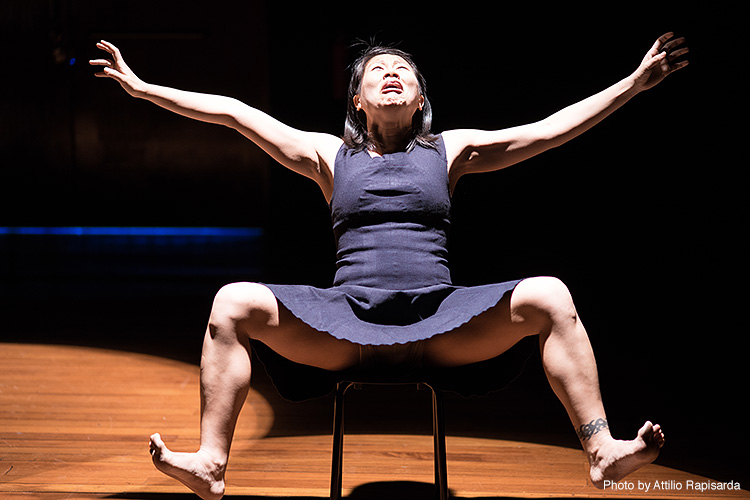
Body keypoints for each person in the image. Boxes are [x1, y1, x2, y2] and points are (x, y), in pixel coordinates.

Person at [91, 32, 688, 500]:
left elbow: (549, 131)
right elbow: (234, 112)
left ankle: (601, 450)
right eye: (377, 69)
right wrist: (143, 90)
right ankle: (211, 464)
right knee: (232, 301)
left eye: (404, 69)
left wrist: (633, 84)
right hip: (347, 325)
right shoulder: (327, 153)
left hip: (441, 323)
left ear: (421, 98)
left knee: (550, 295)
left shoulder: (451, 149)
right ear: (358, 99)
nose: (392, 73)